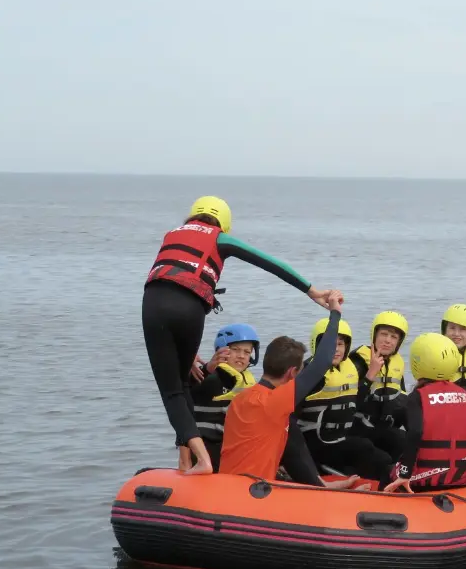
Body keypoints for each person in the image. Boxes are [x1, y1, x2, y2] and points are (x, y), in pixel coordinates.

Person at [142, 196, 342, 474]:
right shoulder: (221, 238)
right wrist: (310, 290)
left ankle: (190, 460)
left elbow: (168, 276)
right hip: (191, 309)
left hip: (155, 304)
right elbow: (269, 262)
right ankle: (200, 462)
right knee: (184, 387)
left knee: (173, 390)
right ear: (224, 223)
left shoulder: (171, 234)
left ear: (191, 216)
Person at [219, 311, 360, 489]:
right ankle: (320, 489)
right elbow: (322, 361)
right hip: (250, 494)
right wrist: (335, 313)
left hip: (225, 486)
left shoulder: (241, 398)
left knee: (290, 428)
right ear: (292, 373)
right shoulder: (274, 402)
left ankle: (318, 485)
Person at [384, 334, 466, 493]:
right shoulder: (464, 395)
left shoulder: (417, 396)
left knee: (384, 468)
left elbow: (415, 432)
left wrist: (405, 473)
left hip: (428, 480)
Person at [297, 316, 394, 485]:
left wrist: (370, 375)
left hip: (338, 440)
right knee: (371, 452)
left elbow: (354, 403)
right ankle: (389, 496)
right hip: (315, 445)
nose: (335, 349)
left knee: (381, 443)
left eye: (340, 344)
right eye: (329, 344)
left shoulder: (347, 369)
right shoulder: (309, 374)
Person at [190, 323, 259, 470]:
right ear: (221, 350)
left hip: (231, 449)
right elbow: (189, 386)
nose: (241, 356)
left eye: (247, 352)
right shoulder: (210, 378)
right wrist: (206, 368)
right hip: (206, 449)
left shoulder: (248, 382)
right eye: (235, 350)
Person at [350, 311, 411, 462]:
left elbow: (402, 405)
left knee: (408, 440)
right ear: (375, 335)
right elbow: (349, 405)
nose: (388, 341)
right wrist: (371, 373)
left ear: (399, 342)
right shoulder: (357, 361)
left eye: (394, 337)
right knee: (389, 450)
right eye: (384, 334)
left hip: (384, 429)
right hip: (358, 429)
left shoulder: (396, 366)